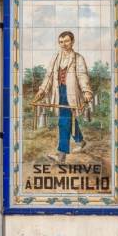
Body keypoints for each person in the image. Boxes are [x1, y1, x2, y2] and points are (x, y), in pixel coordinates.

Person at [33, 31, 93, 163]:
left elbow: (83, 76)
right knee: (68, 120)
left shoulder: (78, 58)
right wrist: (42, 90)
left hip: (71, 93)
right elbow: (48, 76)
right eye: (61, 42)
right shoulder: (55, 58)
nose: (63, 44)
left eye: (66, 41)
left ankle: (61, 155)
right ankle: (80, 141)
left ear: (72, 42)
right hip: (58, 93)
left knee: (63, 122)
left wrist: (87, 91)